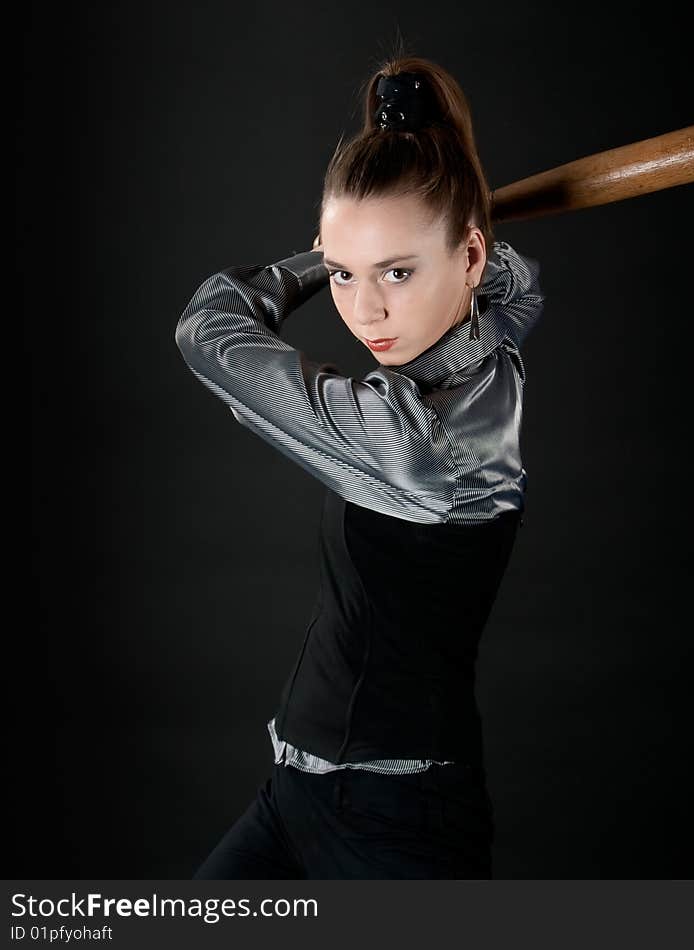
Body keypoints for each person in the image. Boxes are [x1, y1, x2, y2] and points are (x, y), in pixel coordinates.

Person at [174, 54, 545, 879]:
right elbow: (522, 282)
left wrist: (312, 259)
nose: (365, 310)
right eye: (344, 275)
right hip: (295, 796)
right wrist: (395, 244)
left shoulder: (416, 445)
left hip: (395, 826)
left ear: (473, 258)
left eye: (397, 274)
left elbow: (207, 330)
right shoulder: (492, 341)